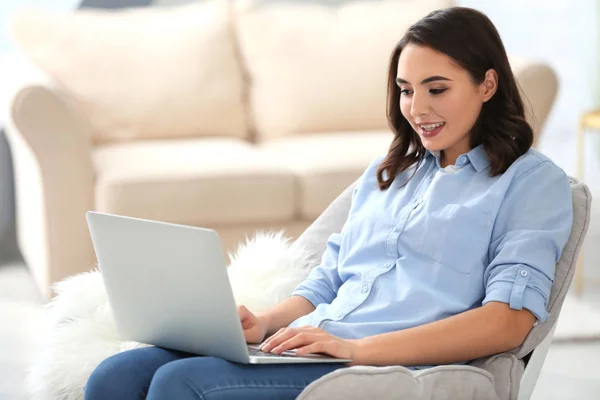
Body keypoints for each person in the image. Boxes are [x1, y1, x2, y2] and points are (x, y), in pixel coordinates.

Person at [84, 6, 573, 400]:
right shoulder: (391, 173)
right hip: (315, 346)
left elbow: (509, 322)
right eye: (405, 91)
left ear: (487, 85)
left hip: (380, 365)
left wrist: (356, 349)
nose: (417, 109)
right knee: (117, 375)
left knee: (179, 384)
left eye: (437, 89)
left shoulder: (531, 184)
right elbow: (331, 277)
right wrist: (267, 322)